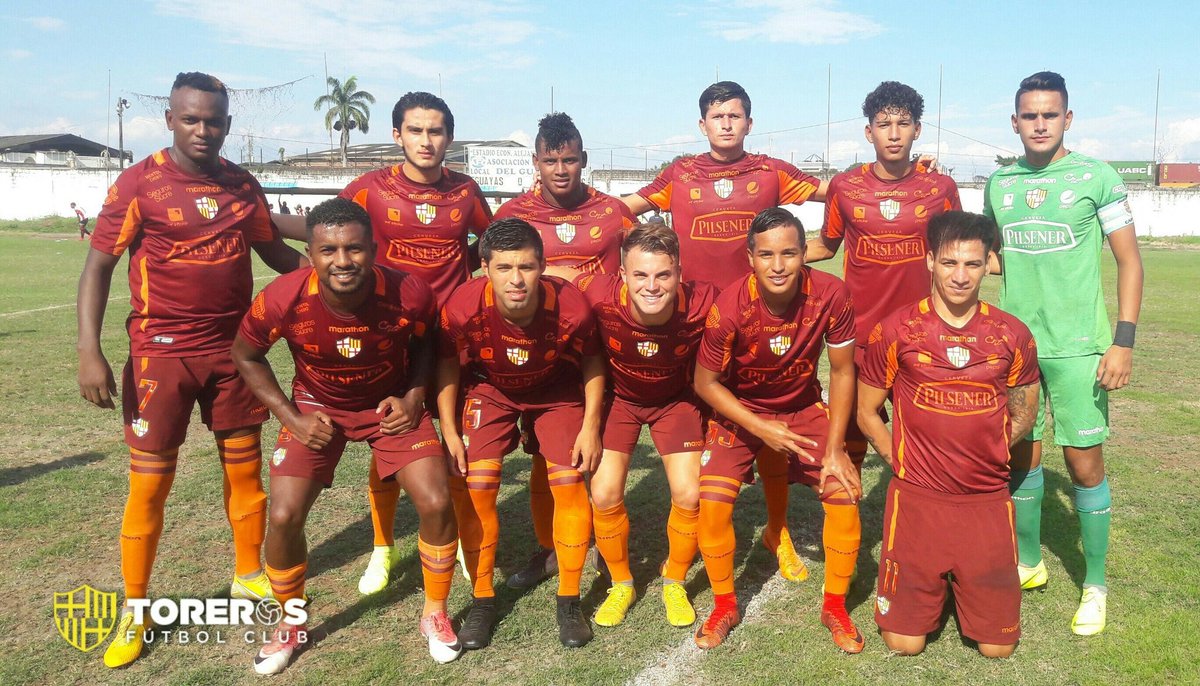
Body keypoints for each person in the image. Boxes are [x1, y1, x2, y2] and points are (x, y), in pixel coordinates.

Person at [76, 71, 306, 669]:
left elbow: (276, 253)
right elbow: (98, 268)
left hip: (234, 354)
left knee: (246, 473)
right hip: (162, 353)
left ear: (227, 124)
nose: (203, 130)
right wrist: (89, 351)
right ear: (171, 119)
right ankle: (135, 608)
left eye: (214, 121)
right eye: (192, 119)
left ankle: (247, 574)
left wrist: (333, 275)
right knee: (150, 484)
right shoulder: (138, 184)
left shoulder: (241, 184)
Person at [277, 91, 493, 596]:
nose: (426, 140)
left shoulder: (465, 191)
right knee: (388, 446)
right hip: (389, 338)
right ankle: (382, 546)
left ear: (449, 138)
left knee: (458, 439)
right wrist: (259, 226)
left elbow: (492, 240)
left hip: (451, 338)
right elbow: (322, 229)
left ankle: (459, 537)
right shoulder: (371, 189)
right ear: (397, 135)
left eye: (435, 131)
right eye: (415, 131)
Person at [232, 198, 460, 673]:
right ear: (310, 253)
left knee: (437, 503)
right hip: (317, 410)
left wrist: (414, 397)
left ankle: (435, 613)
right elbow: (246, 355)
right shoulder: (282, 296)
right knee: (284, 513)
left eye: (354, 249)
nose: (342, 261)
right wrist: (290, 417)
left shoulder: (409, 291)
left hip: (390, 406)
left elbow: (427, 344)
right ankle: (290, 622)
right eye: (328, 250)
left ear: (374, 249)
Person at [624, 81, 828, 582]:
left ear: (750, 123)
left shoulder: (771, 171)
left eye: (735, 116)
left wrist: (901, 174)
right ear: (702, 124)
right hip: (695, 325)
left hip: (757, 321)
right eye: (718, 116)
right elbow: (622, 210)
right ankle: (696, 532)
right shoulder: (680, 173)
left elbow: (837, 193)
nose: (727, 124)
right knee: (701, 425)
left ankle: (776, 532)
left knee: (770, 426)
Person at [984, 71, 1143, 636]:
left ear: (1067, 119)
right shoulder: (998, 184)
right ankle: (1028, 564)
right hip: (1018, 350)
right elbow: (996, 258)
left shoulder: (1096, 177)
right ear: (1015, 122)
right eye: (1030, 115)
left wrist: (1121, 341)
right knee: (1020, 454)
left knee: (1082, 462)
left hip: (1080, 349)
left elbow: (1129, 260)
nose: (1040, 123)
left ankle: (1095, 584)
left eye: (1050, 114)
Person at [857, 210, 1041, 658]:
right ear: (929, 261)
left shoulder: (1012, 334)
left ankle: (967, 588)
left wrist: (986, 450)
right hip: (918, 499)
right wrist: (899, 461)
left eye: (973, 264)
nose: (960, 276)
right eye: (949, 263)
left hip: (986, 498)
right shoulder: (897, 329)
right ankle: (930, 592)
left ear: (989, 264)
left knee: (997, 649)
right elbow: (866, 411)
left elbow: (1025, 413)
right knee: (905, 644)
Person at [691, 208, 863, 651]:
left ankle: (836, 607)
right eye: (766, 254)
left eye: (789, 252)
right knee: (711, 505)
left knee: (842, 490)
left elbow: (844, 372)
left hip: (804, 405)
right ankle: (724, 603)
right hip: (741, 409)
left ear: (806, 253)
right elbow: (704, 383)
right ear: (750, 257)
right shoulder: (729, 306)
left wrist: (837, 448)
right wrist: (760, 427)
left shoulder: (832, 293)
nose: (779, 265)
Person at [436, 218, 605, 649]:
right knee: (478, 487)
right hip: (492, 388)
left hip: (556, 391)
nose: (516, 279)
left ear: (543, 265)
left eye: (527, 267)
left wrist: (589, 426)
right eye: (504, 267)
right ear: (484, 268)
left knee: (569, 483)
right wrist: (451, 431)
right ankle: (482, 599)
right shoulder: (462, 306)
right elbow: (449, 365)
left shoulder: (572, 306)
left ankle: (569, 598)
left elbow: (591, 362)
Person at [494, 112, 635, 590]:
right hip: (540, 357)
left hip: (603, 351)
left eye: (570, 160)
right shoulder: (512, 215)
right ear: (536, 162)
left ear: (583, 160)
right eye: (551, 160)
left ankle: (597, 540)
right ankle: (549, 547)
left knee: (596, 450)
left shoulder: (613, 212)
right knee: (542, 454)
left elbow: (643, 261)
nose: (561, 169)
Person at [807, 81, 961, 470]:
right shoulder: (845, 186)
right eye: (883, 124)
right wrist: (761, 257)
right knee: (854, 432)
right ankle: (850, 511)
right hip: (859, 335)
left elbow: (958, 255)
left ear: (918, 130)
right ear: (868, 131)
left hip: (922, 333)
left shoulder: (940, 188)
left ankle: (925, 504)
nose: (894, 133)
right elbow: (827, 247)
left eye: (903, 123)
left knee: (926, 427)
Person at [575, 223, 715, 627]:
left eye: (662, 275)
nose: (651, 286)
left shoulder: (707, 301)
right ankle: (622, 582)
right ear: (621, 275)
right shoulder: (598, 293)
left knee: (690, 494)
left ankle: (674, 578)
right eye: (640, 274)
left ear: (679, 274)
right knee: (602, 493)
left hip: (675, 401)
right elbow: (553, 276)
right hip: (620, 401)